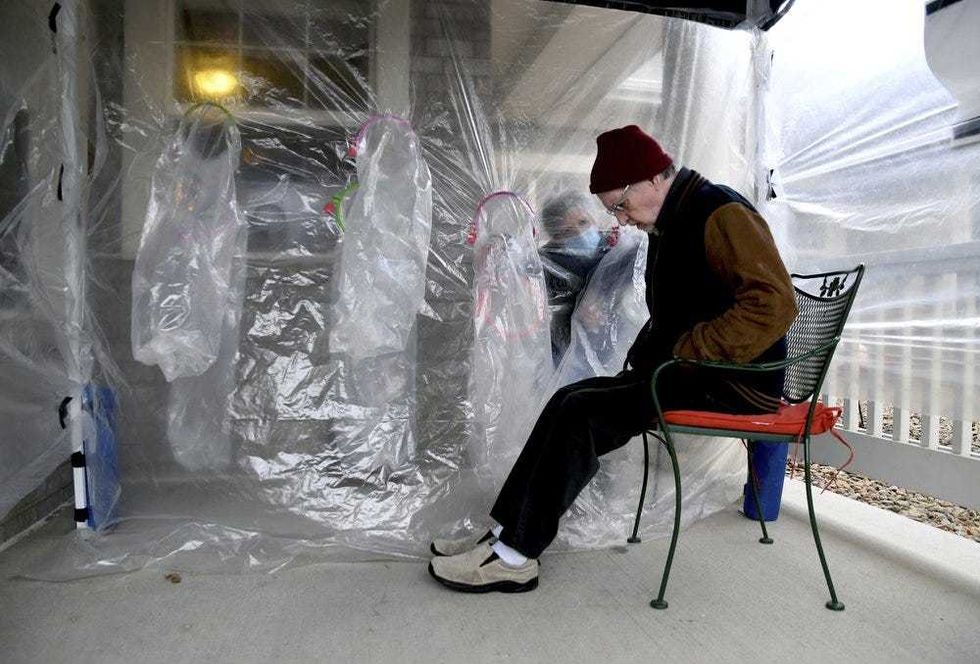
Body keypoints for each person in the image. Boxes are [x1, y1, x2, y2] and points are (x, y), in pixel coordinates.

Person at [428, 124, 798, 593]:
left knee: (581, 413)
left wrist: (692, 348)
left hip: (730, 381)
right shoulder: (677, 216)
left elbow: (775, 303)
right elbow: (675, 313)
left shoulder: (720, 212)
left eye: (619, 206)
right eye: (613, 212)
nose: (621, 221)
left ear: (649, 179)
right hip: (691, 371)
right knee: (568, 399)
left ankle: (515, 556)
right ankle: (502, 538)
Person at [536, 191, 616, 364]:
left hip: (615, 353)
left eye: (583, 222)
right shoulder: (548, 263)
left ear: (594, 218)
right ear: (555, 238)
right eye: (568, 232)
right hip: (564, 355)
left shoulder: (617, 252)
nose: (580, 233)